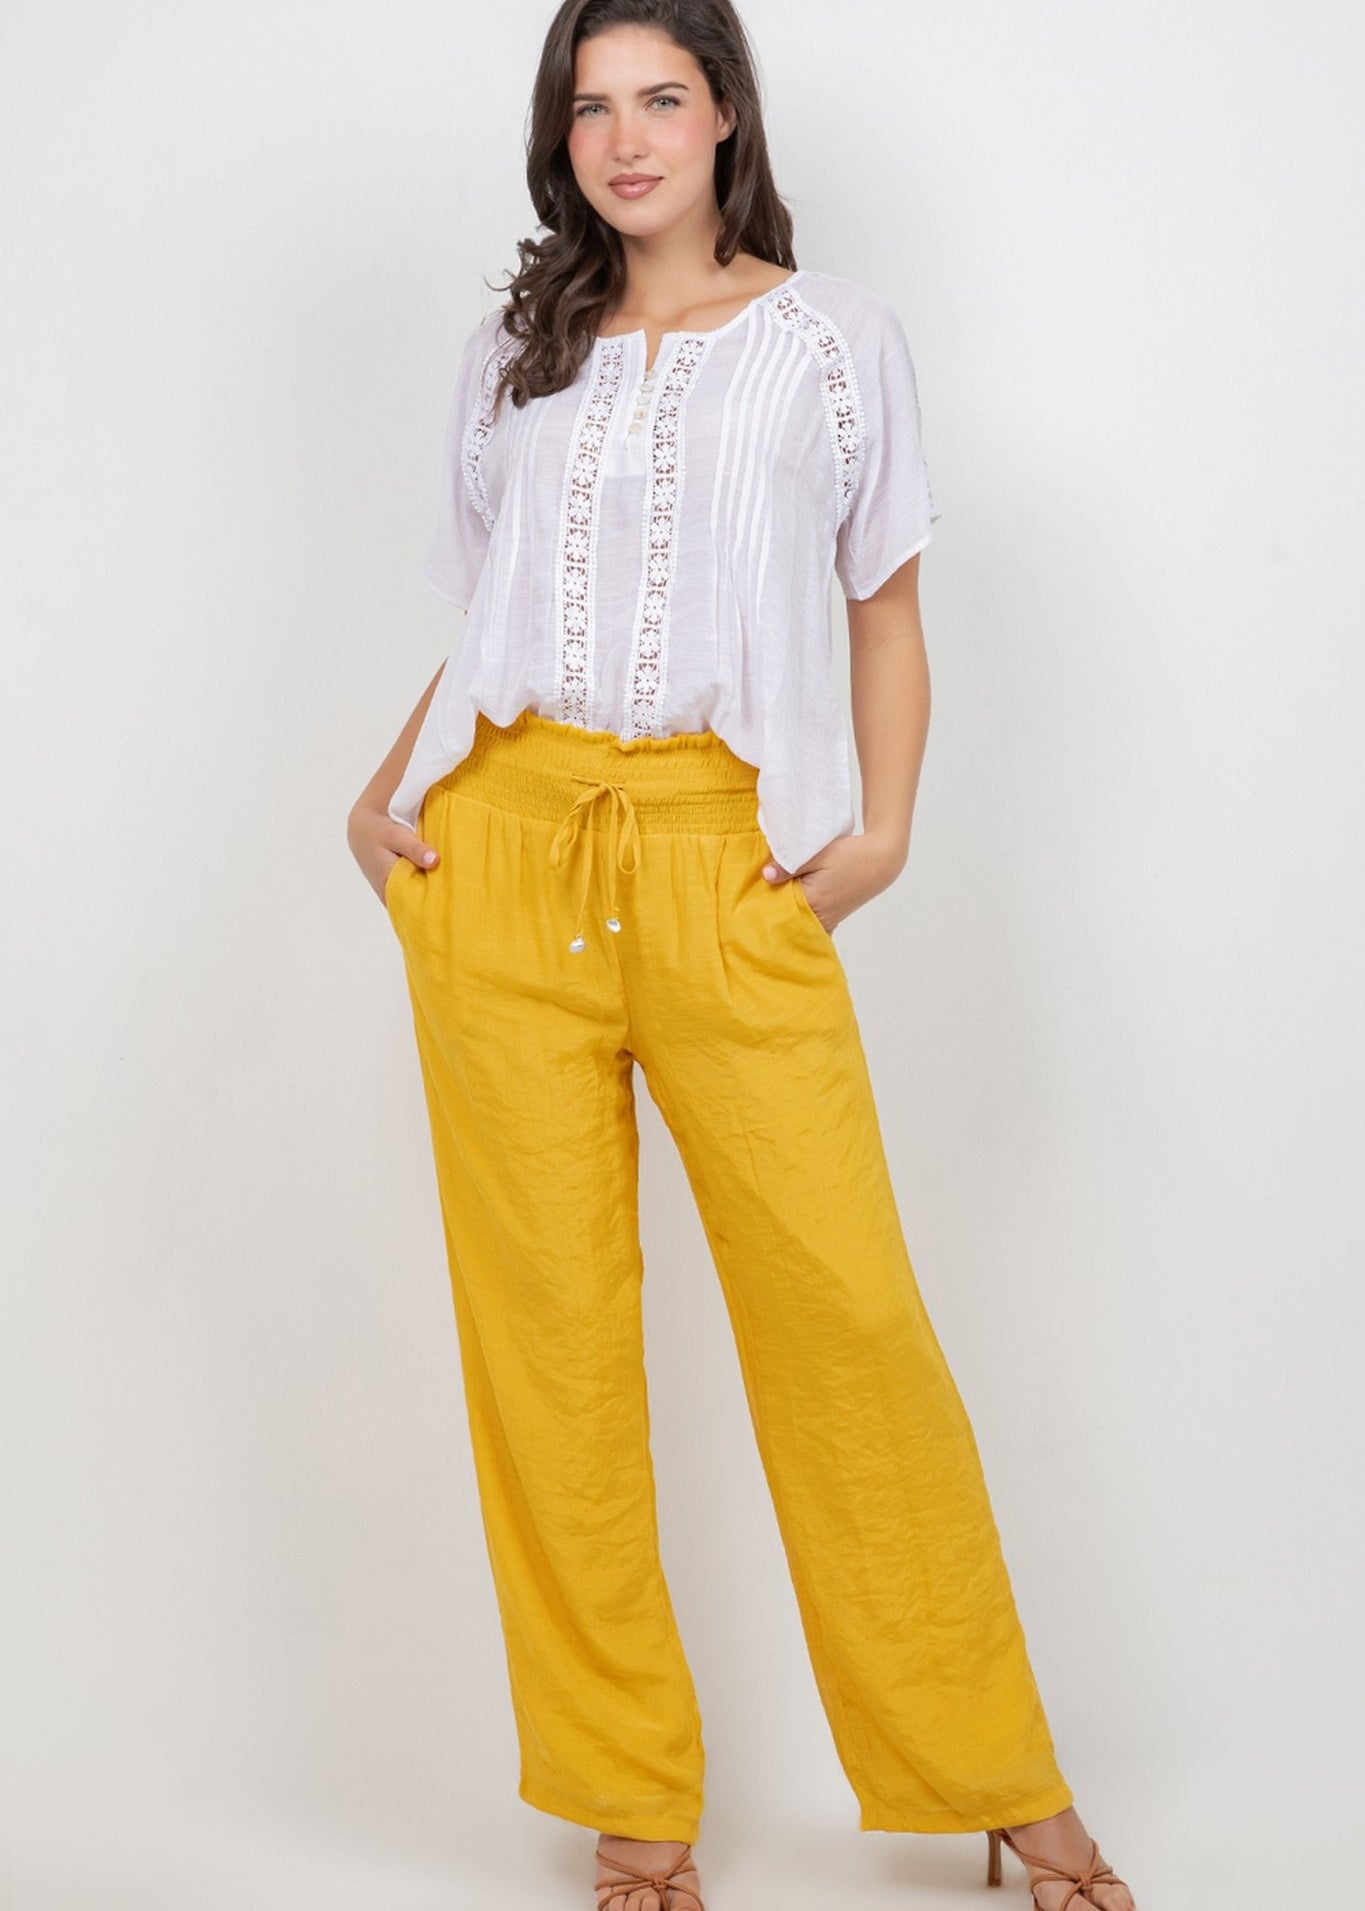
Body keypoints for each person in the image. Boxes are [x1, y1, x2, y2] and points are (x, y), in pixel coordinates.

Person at [347, 5, 1138, 1908]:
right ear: (565, 137)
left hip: (727, 861)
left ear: (724, 120)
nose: (624, 140)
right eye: (589, 107)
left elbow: (887, 603)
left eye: (660, 100)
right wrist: (380, 805)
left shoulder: (829, 341)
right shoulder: (514, 354)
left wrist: (877, 832)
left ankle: (998, 1780)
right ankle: (635, 1806)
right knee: (548, 1355)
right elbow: (487, 619)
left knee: (845, 1326)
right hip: (505, 857)